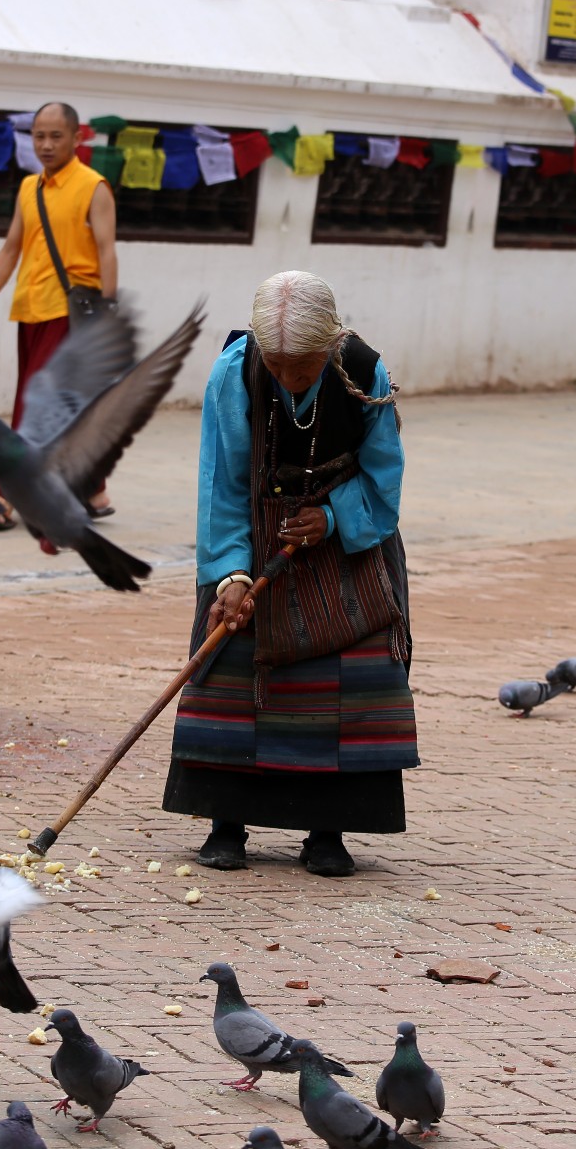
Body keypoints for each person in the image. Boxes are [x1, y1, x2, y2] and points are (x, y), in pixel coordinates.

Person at [163, 271, 415, 879]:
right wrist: (230, 577)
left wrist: (331, 518)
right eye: (276, 364)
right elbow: (220, 481)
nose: (287, 377)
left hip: (344, 540)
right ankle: (227, 824)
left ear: (327, 346)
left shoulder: (364, 374)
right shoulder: (234, 372)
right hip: (252, 533)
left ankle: (326, 831)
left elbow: (385, 476)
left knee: (349, 684)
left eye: (300, 366)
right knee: (229, 667)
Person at [0, 103, 118, 528]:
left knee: (34, 406)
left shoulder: (93, 187)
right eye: (39, 136)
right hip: (31, 308)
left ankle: (5, 498)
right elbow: (12, 247)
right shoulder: (29, 187)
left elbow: (107, 251)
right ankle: (93, 488)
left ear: (76, 138)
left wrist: (106, 317)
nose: (46, 145)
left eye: (56, 136)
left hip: (70, 313)